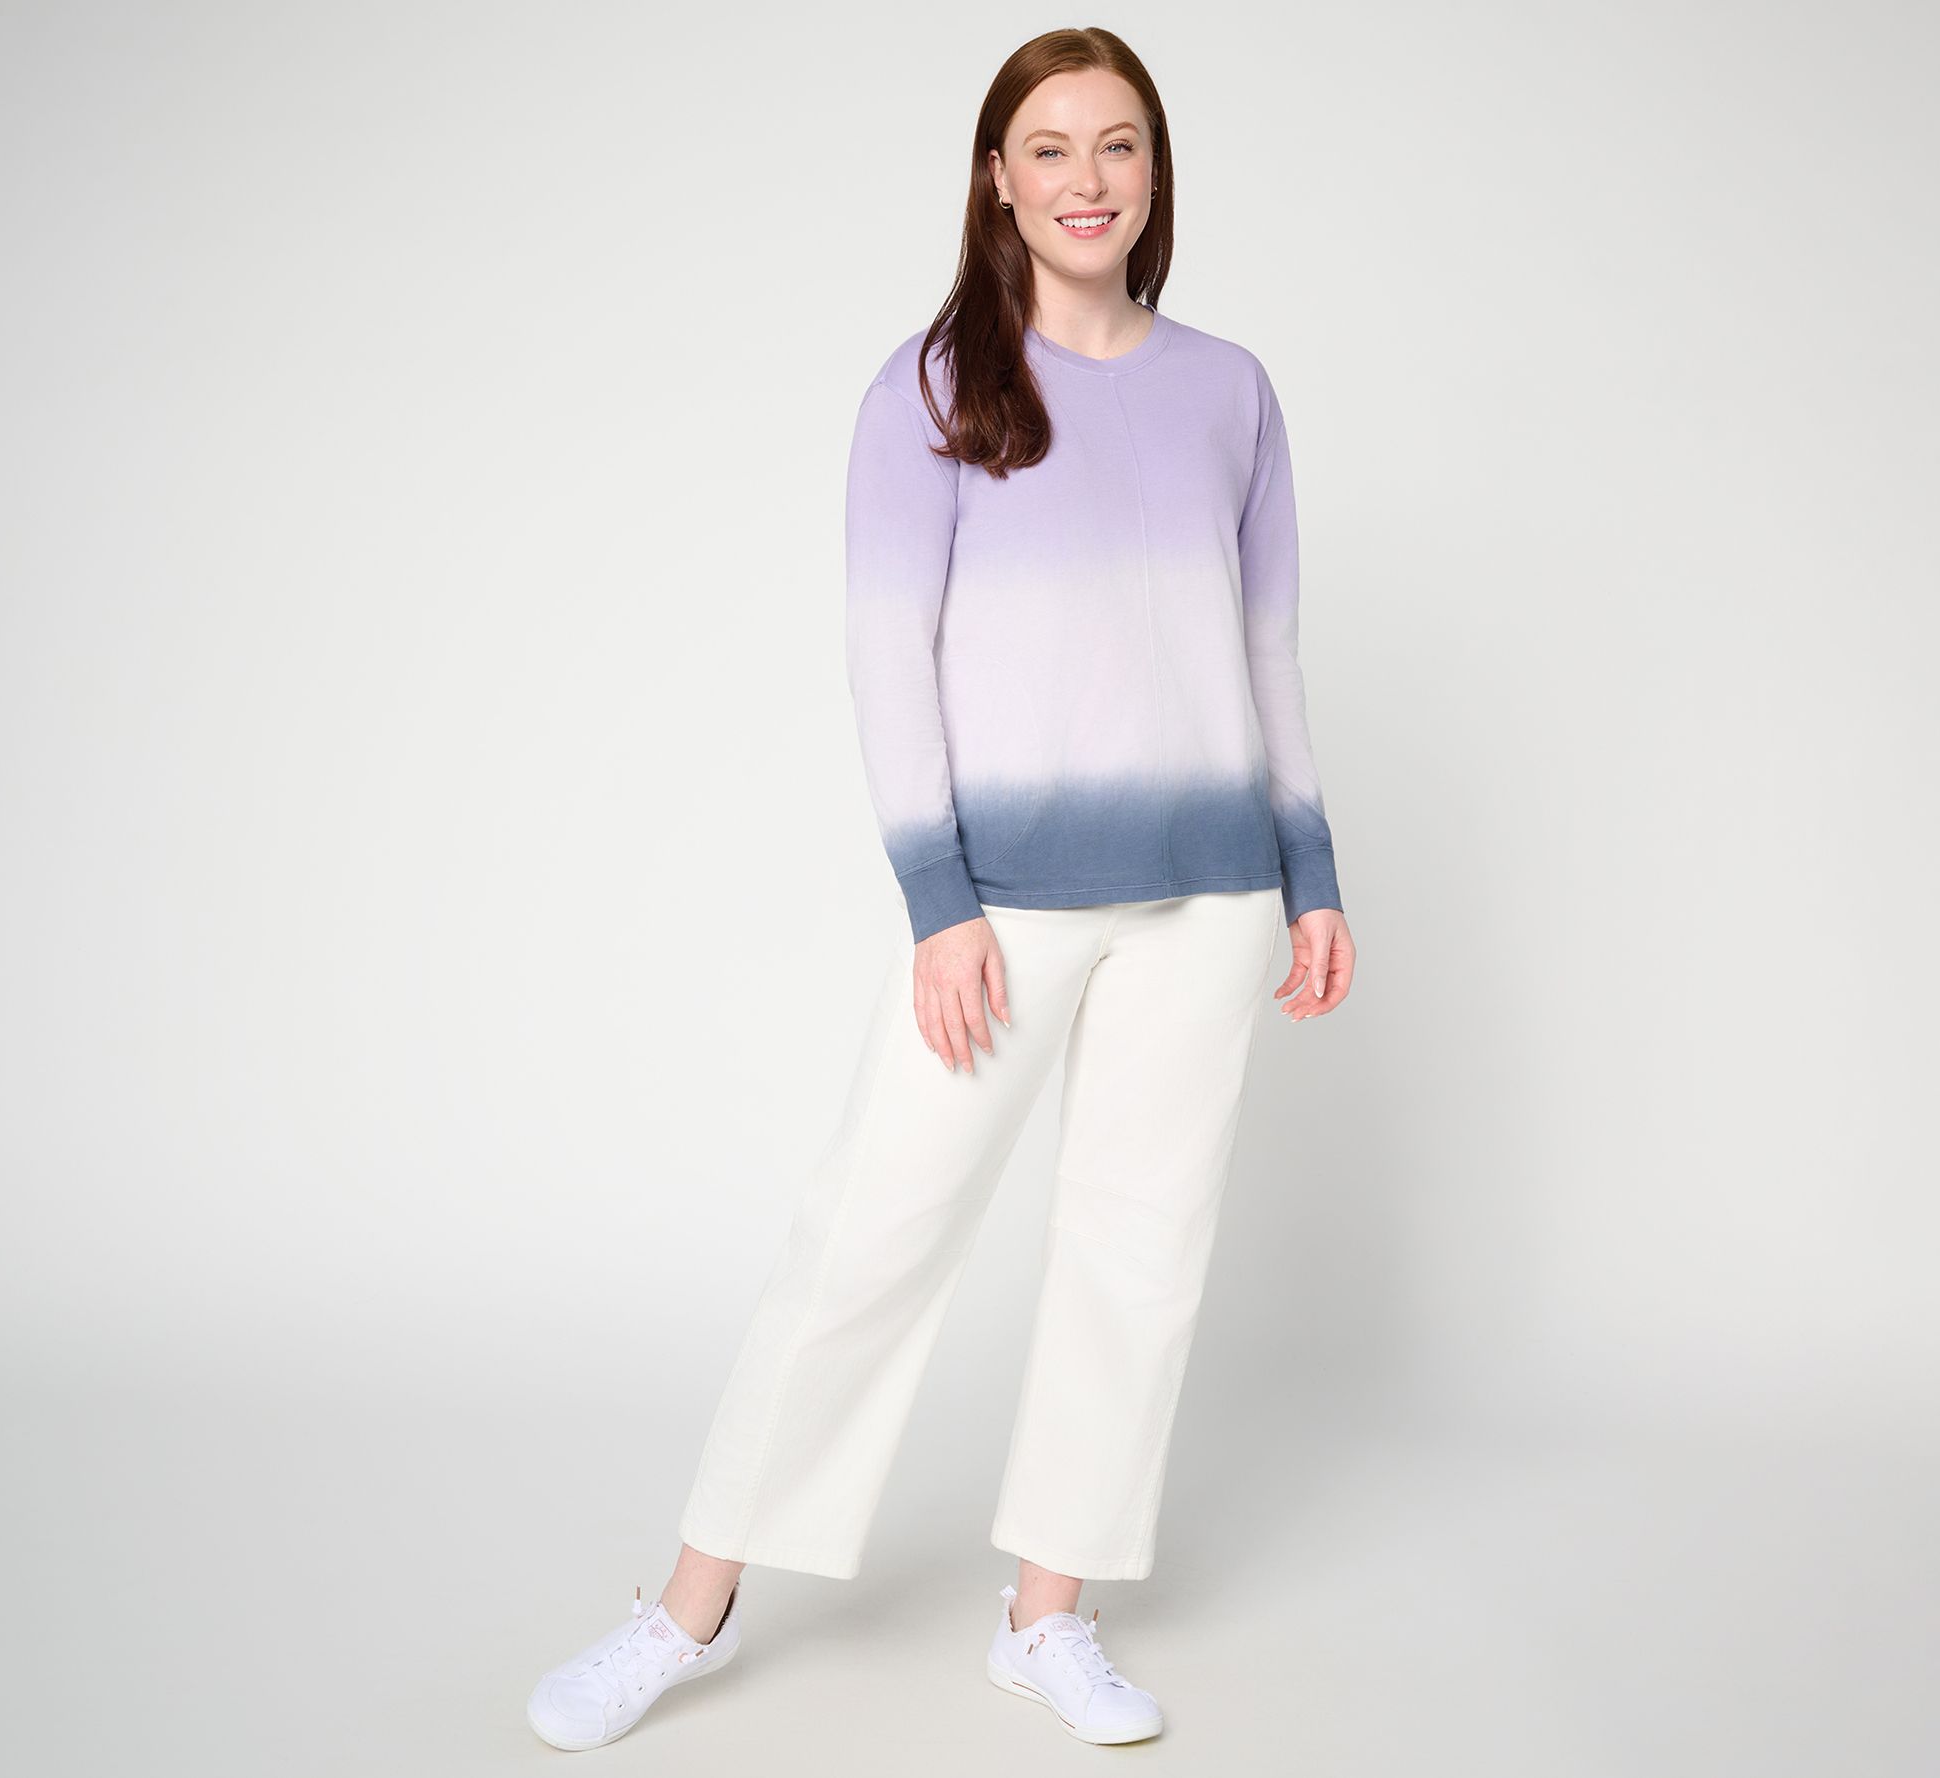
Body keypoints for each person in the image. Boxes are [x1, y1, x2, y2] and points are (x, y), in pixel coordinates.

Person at [526, 25, 1358, 1752]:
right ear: (998, 177)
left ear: (1156, 173)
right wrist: (939, 901)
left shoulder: (1231, 391)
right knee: (869, 1236)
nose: (1087, 180)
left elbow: (1269, 646)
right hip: (1005, 902)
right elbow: (885, 658)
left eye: (1118, 145)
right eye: (1050, 147)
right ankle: (688, 1607)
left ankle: (1048, 1615)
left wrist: (1311, 872)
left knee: (1139, 1251)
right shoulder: (928, 391)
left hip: (1211, 895)